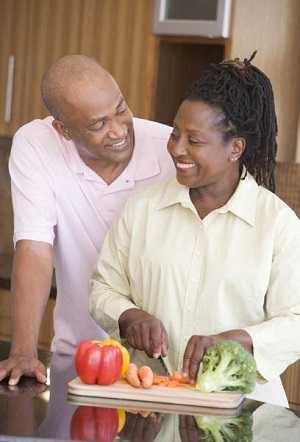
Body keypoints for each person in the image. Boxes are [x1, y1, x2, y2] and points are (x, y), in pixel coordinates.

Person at [90, 53, 300, 406]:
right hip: (150, 406)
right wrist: (127, 315)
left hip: (242, 413)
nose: (177, 149)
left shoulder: (277, 224)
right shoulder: (142, 209)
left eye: (194, 140)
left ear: (235, 148)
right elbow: (103, 288)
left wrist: (241, 339)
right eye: (175, 135)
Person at [0, 55, 174, 385]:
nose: (119, 130)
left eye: (121, 109)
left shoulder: (170, 150)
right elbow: (35, 248)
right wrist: (24, 351)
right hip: (80, 358)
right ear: (63, 129)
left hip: (159, 366)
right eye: (98, 124)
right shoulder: (36, 145)